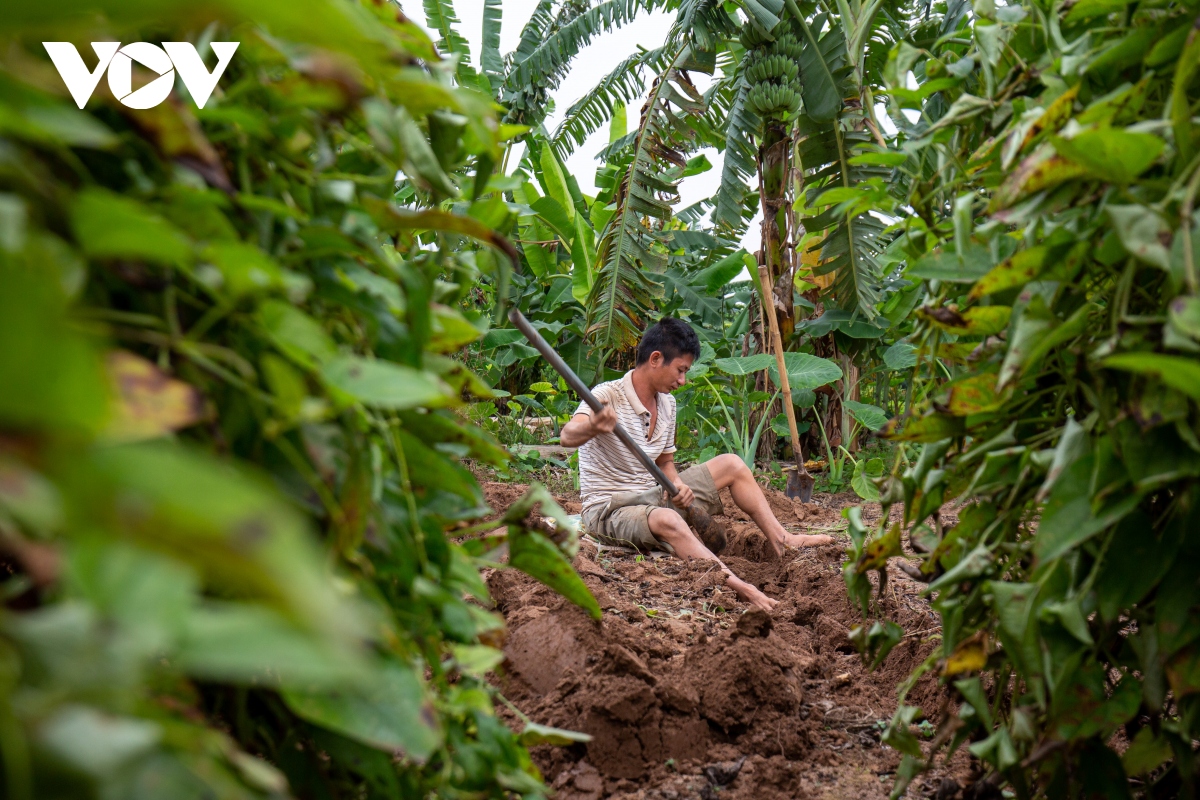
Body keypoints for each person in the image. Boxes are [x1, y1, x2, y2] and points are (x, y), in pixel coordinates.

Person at [560, 317, 833, 612]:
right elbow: (567, 436)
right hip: (609, 509)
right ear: (655, 359)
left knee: (733, 464)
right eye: (680, 370)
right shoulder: (606, 395)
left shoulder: (668, 403)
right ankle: (741, 587)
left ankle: (782, 540)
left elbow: (666, 462)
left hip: (652, 497)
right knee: (670, 521)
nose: (682, 381)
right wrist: (593, 427)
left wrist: (676, 484)